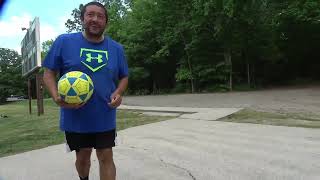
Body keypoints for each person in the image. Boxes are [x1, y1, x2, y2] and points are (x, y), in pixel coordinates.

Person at [42, 2, 129, 180]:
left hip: (104, 114)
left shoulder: (116, 49)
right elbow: (49, 73)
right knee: (83, 158)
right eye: (90, 15)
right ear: (82, 18)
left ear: (106, 22)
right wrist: (56, 96)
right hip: (75, 116)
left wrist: (119, 92)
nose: (95, 19)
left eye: (100, 16)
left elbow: (124, 76)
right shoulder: (64, 41)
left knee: (106, 156)